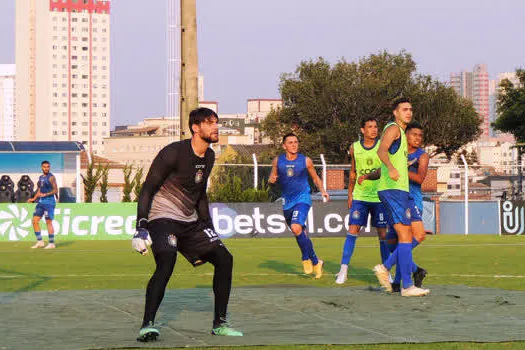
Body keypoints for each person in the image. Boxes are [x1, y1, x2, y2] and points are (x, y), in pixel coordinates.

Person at [132, 107, 243, 342]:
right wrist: (141, 226)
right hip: (162, 218)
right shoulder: (173, 152)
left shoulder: (210, 156)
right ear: (195, 127)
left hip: (190, 222)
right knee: (167, 262)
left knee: (225, 259)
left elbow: (200, 194)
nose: (216, 127)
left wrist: (208, 227)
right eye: (210, 123)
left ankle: (220, 324)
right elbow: (148, 188)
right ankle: (147, 325)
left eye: (216, 123)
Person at [373, 98, 430, 297]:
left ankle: (389, 269)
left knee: (417, 233)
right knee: (404, 236)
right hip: (393, 190)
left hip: (403, 193)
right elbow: (381, 150)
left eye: (411, 109)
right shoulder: (393, 128)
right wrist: (391, 168)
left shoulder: (403, 137)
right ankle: (406, 285)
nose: (409, 112)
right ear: (395, 112)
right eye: (404, 109)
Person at [335, 117, 389, 285]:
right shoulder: (355, 148)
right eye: (370, 127)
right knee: (352, 230)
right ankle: (343, 269)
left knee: (383, 234)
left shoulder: (382, 146)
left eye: (375, 126)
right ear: (362, 130)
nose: (374, 129)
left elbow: (385, 170)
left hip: (379, 197)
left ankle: (386, 272)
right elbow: (353, 172)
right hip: (360, 197)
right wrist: (350, 194)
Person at [268, 133, 329, 279]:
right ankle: (316, 261)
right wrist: (271, 180)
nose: (294, 145)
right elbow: (272, 178)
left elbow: (315, 178)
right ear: (284, 146)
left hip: (303, 198)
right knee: (299, 232)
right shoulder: (278, 161)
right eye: (290, 142)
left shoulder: (305, 160)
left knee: (296, 227)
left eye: (296, 142)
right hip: (287, 202)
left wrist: (323, 191)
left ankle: (307, 259)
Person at [387, 121, 429, 292]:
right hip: (396, 199)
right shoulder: (398, 152)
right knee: (392, 241)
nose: (418, 138)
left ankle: (393, 274)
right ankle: (415, 270)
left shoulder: (422, 156)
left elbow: (420, 179)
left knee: (410, 238)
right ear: (406, 136)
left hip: (412, 201)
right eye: (414, 134)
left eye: (420, 135)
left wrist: (402, 170)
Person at [28, 160, 58, 249]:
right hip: (41, 202)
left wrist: (46, 194)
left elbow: (55, 190)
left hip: (49, 203)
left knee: (48, 222)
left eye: (48, 167)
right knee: (35, 221)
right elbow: (39, 190)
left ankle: (52, 243)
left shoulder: (51, 177)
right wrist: (33, 199)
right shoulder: (41, 177)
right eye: (45, 167)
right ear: (42, 167)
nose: (46, 168)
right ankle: (40, 241)